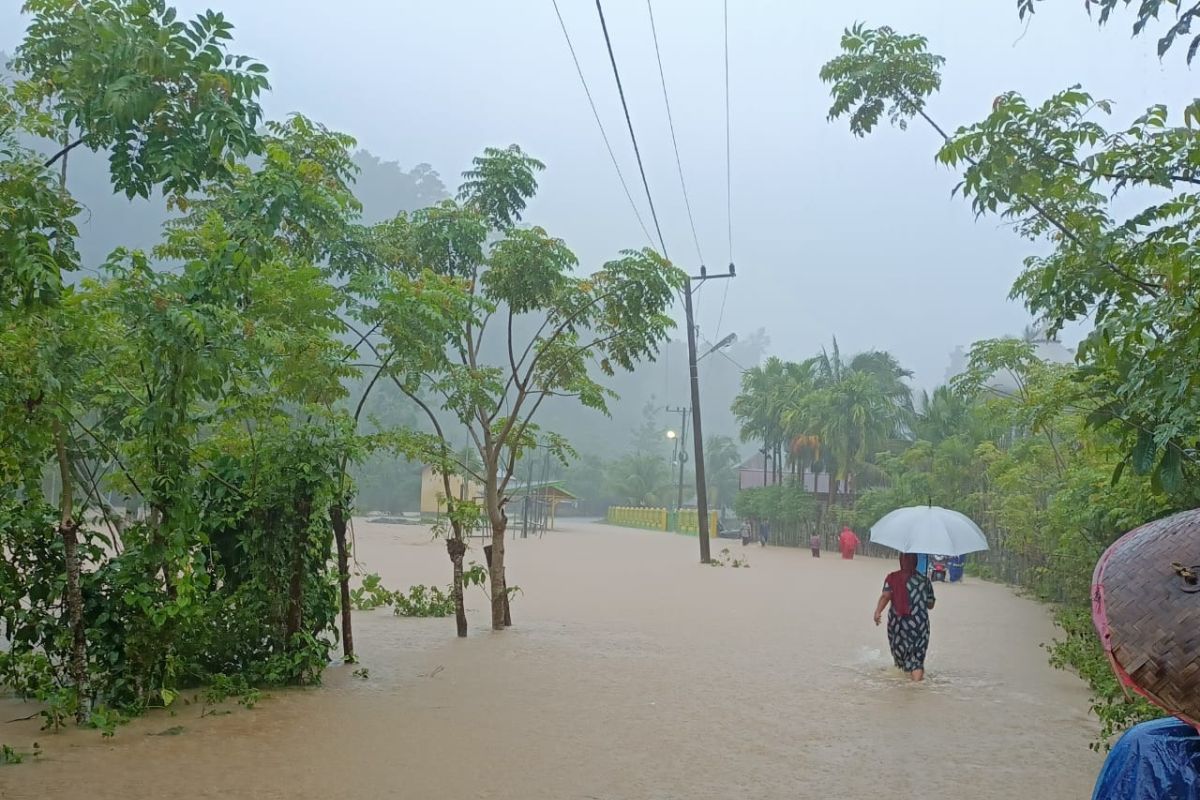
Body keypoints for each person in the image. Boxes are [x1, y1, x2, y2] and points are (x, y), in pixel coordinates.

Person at [873, 553, 936, 682]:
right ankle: (916, 687)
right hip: (920, 625)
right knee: (917, 660)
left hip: (898, 625)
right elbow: (931, 605)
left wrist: (877, 612)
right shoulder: (924, 580)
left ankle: (903, 690)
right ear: (916, 562)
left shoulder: (892, 578)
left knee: (900, 661)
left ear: (901, 561)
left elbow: (886, 596)